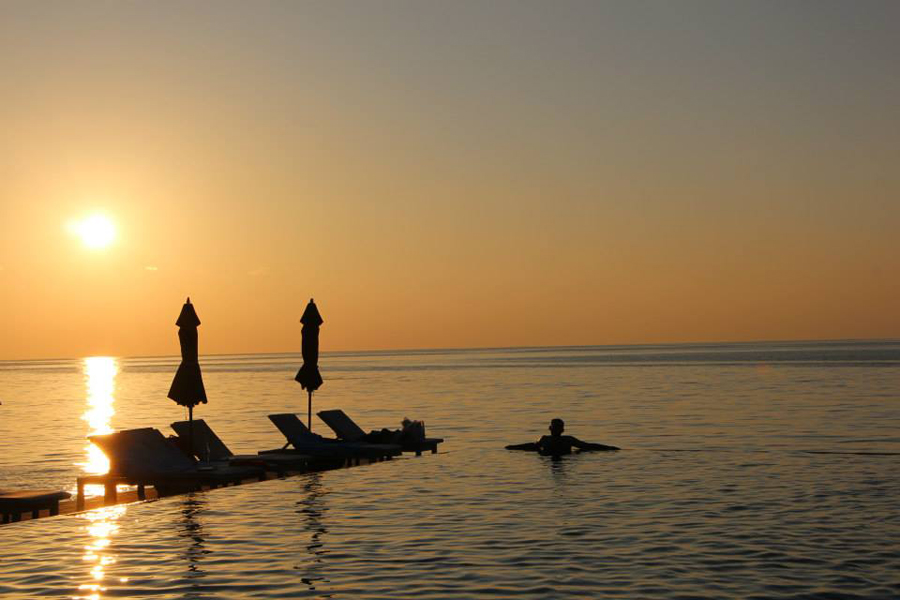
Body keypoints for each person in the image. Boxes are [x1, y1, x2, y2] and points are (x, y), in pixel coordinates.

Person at [506, 418, 619, 455]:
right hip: (561, 457)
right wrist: (513, 447)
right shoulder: (545, 439)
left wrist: (608, 447)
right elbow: (531, 446)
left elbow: (587, 446)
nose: (556, 430)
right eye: (555, 427)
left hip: (557, 457)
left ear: (563, 430)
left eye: (557, 427)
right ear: (550, 428)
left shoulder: (567, 439)